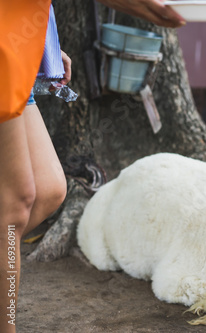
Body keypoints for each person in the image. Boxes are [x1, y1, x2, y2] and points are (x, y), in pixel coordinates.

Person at [0, 1, 184, 332]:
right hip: (3, 55)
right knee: (15, 206)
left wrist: (48, 46)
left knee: (51, 189)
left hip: (18, 51)